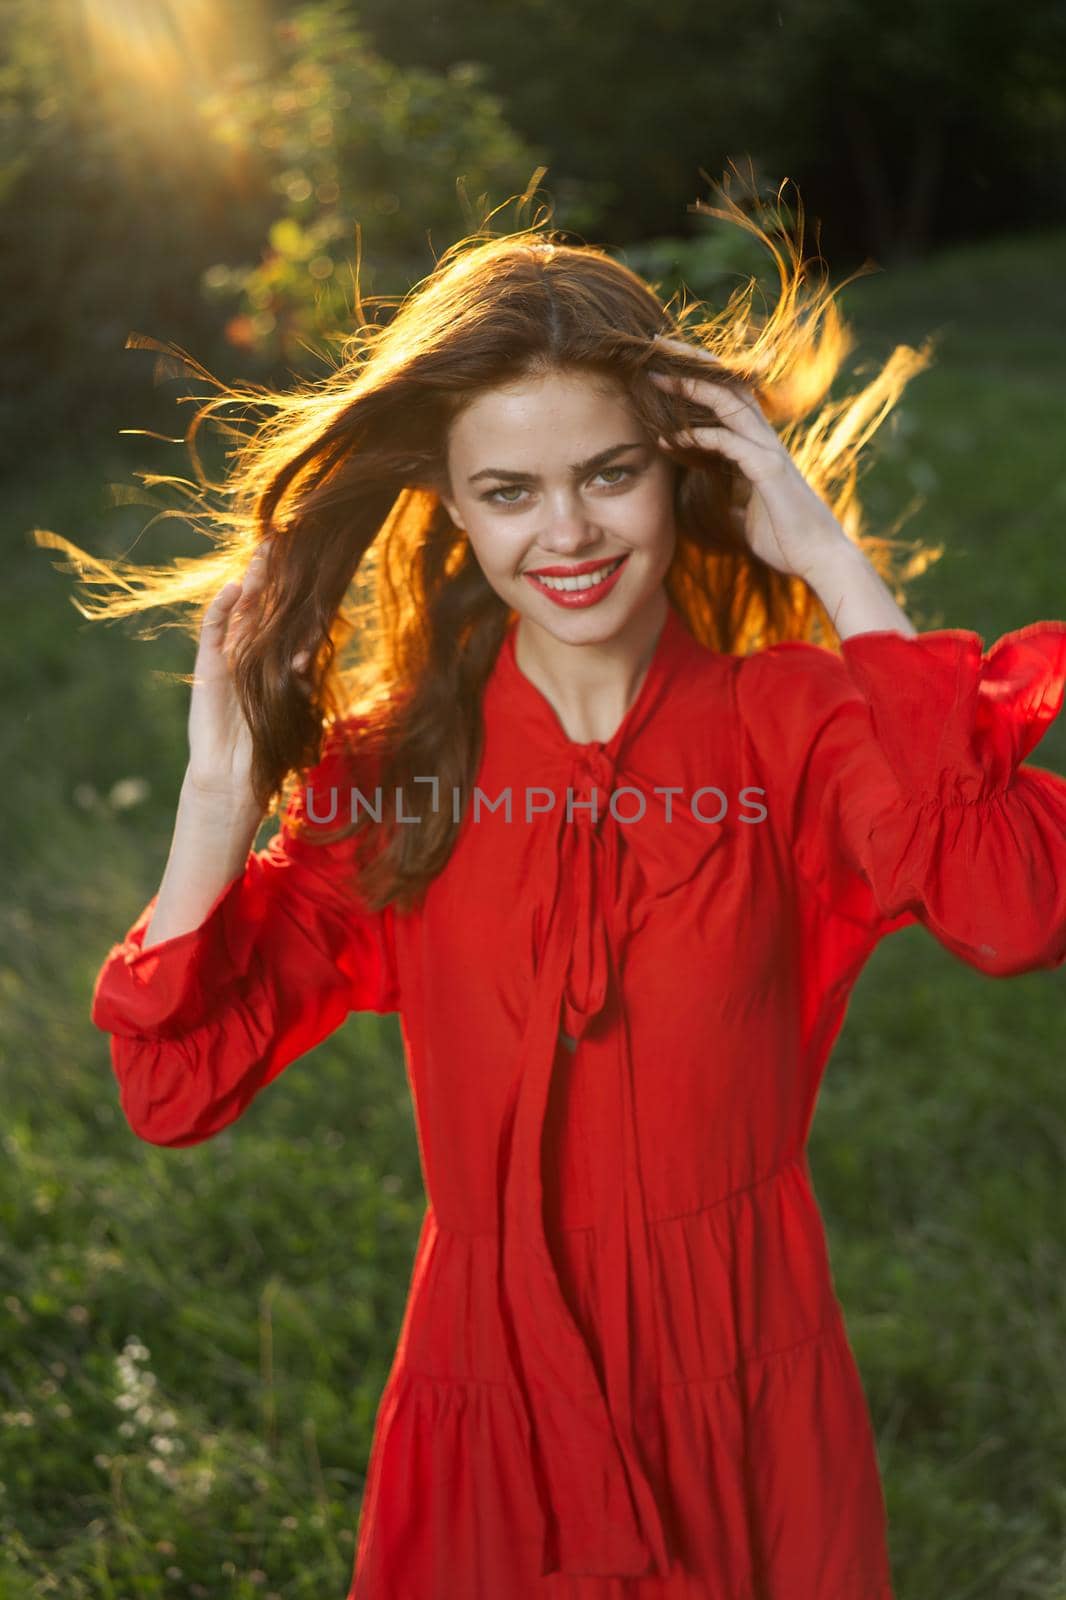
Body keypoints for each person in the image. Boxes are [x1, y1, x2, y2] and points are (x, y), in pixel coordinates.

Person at [63, 189, 1066, 1599]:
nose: (569, 534)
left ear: (678, 471)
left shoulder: (792, 727)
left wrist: (828, 558)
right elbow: (173, 1093)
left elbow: (1015, 908)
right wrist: (218, 800)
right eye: (509, 491)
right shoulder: (400, 770)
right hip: (490, 1385)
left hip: (743, 1371)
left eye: (609, 473)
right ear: (452, 508)